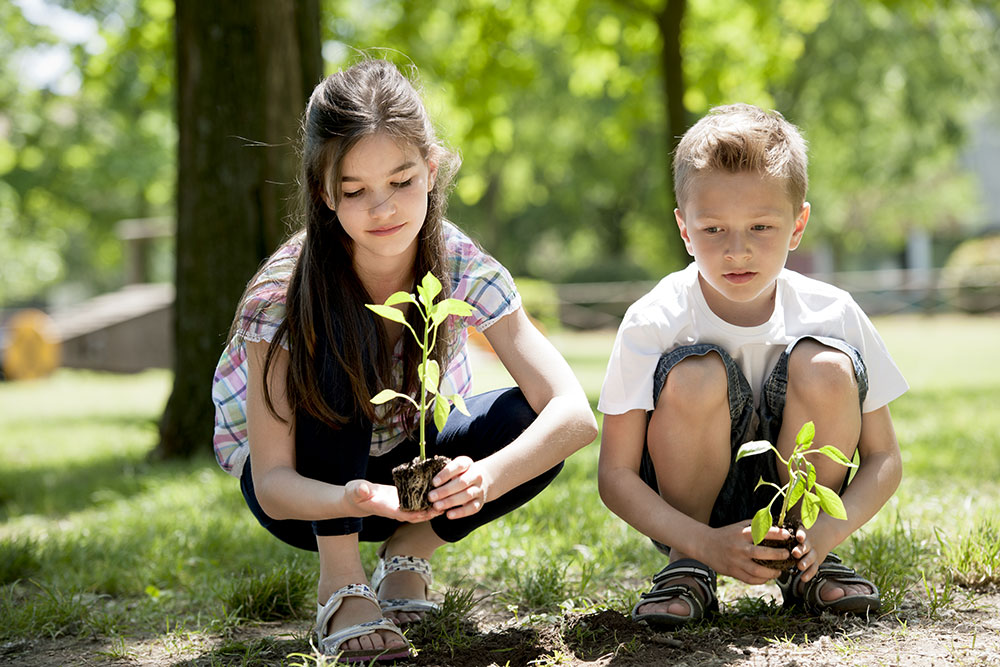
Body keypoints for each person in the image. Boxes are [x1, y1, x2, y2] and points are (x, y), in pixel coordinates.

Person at [212, 59, 597, 662]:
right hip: (312, 492)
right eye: (354, 190)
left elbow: (575, 413)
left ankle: (408, 553)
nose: (383, 208)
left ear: (432, 170)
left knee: (530, 419)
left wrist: (484, 480)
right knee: (342, 341)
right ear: (322, 191)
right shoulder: (283, 296)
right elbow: (274, 484)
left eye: (402, 180)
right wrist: (352, 500)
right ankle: (341, 582)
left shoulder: (459, 262)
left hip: (415, 475)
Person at [597, 103, 907, 627]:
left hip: (804, 508)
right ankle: (689, 567)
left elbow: (884, 458)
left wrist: (828, 530)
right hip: (692, 511)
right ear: (684, 228)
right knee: (695, 374)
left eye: (761, 226)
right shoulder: (654, 318)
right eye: (714, 229)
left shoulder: (833, 311)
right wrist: (700, 541)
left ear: (798, 224)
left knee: (827, 366)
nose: (737, 251)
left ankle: (806, 562)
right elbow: (615, 474)